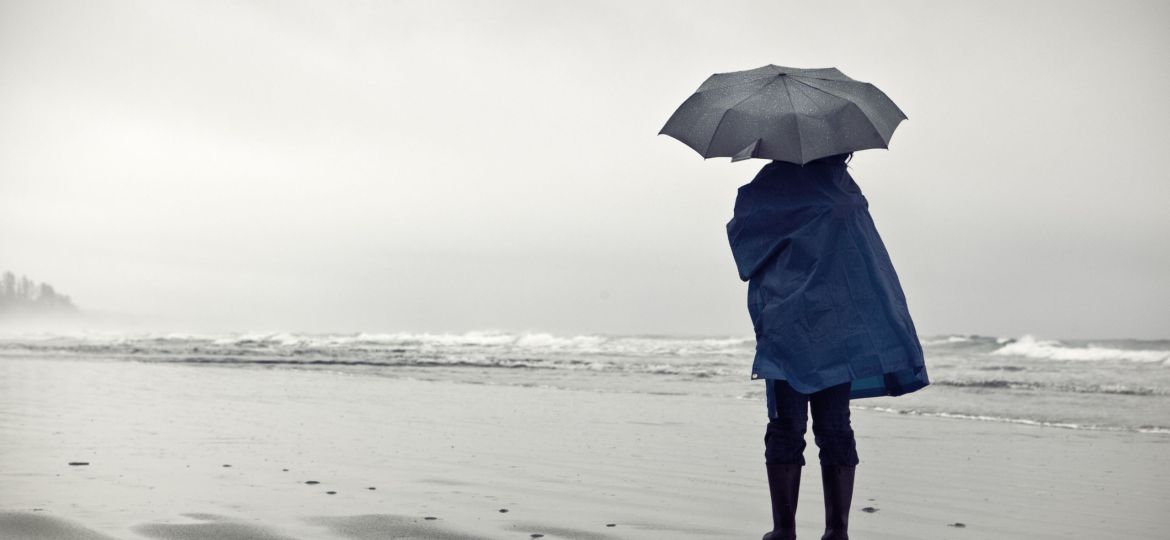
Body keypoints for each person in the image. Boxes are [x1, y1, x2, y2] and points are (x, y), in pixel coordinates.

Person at [725, 152, 930, 540]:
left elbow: (746, 245)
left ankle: (786, 531)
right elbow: (865, 264)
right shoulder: (844, 190)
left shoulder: (773, 184)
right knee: (831, 426)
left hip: (793, 320)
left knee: (789, 425)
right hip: (838, 324)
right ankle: (836, 532)